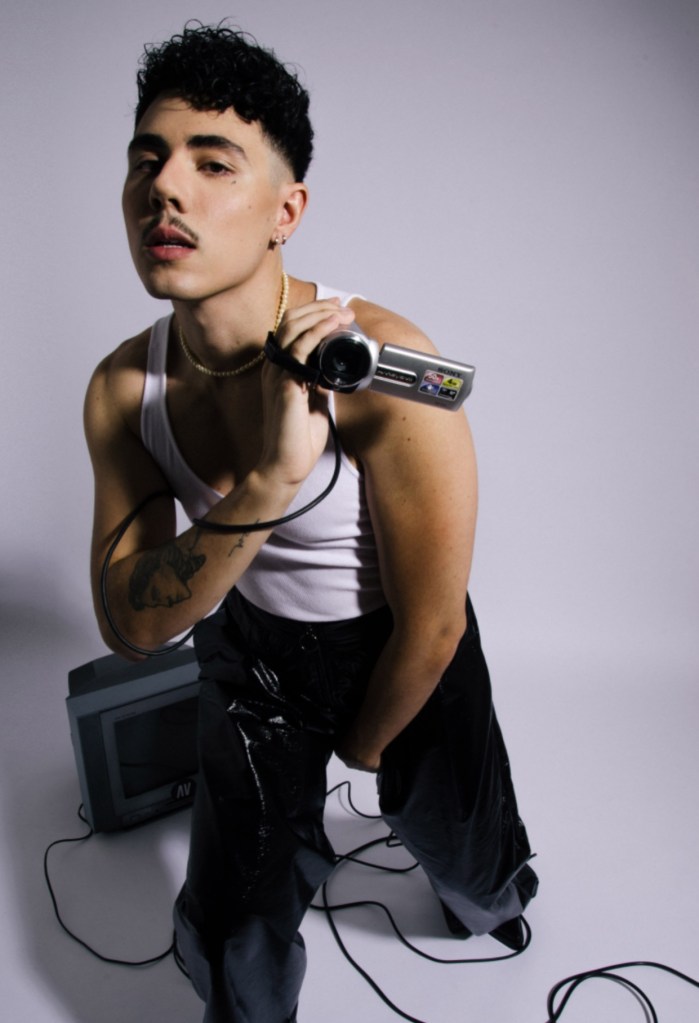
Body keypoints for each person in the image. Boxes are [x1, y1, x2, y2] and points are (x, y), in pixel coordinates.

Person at [84, 23, 537, 1023]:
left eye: (212, 164)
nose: (166, 189)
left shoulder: (382, 362)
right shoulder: (125, 388)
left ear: (285, 211)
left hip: (400, 646)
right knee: (229, 920)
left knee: (466, 846)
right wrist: (270, 478)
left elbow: (434, 623)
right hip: (254, 655)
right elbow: (132, 627)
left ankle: (488, 902)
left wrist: (365, 753)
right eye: (147, 161)